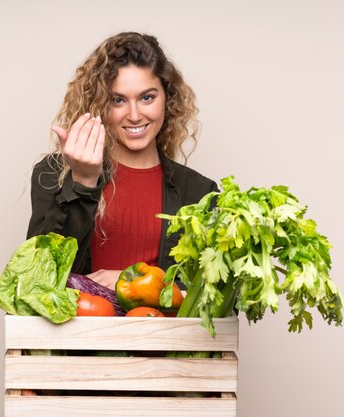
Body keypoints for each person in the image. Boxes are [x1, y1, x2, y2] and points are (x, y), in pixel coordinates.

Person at [26, 32, 217, 290]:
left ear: (168, 99)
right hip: (79, 331)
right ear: (100, 104)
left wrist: (137, 281)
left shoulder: (198, 193)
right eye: (118, 100)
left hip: (164, 332)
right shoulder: (53, 174)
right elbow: (36, 283)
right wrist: (83, 181)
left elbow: (218, 300)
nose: (135, 115)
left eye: (147, 97)